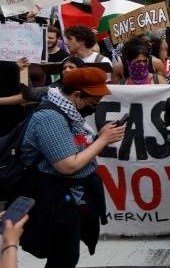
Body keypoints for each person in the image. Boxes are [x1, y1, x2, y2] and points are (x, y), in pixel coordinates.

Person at [19, 67, 125, 268]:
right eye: (93, 102)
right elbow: (67, 165)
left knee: (65, 255)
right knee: (63, 258)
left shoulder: (70, 113)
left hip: (69, 196)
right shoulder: (51, 118)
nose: (96, 106)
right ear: (77, 95)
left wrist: (97, 137)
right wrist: (102, 141)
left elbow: (76, 148)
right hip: (55, 199)